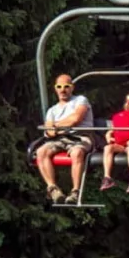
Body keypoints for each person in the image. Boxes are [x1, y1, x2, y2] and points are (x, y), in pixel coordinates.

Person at [36, 74, 93, 203]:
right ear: (55, 89)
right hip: (59, 139)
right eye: (59, 87)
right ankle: (52, 188)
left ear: (72, 88)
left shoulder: (80, 100)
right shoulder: (52, 110)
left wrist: (55, 126)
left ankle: (75, 191)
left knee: (77, 153)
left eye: (66, 86)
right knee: (41, 152)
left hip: (80, 137)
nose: (63, 90)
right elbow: (49, 132)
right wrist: (56, 129)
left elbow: (75, 119)